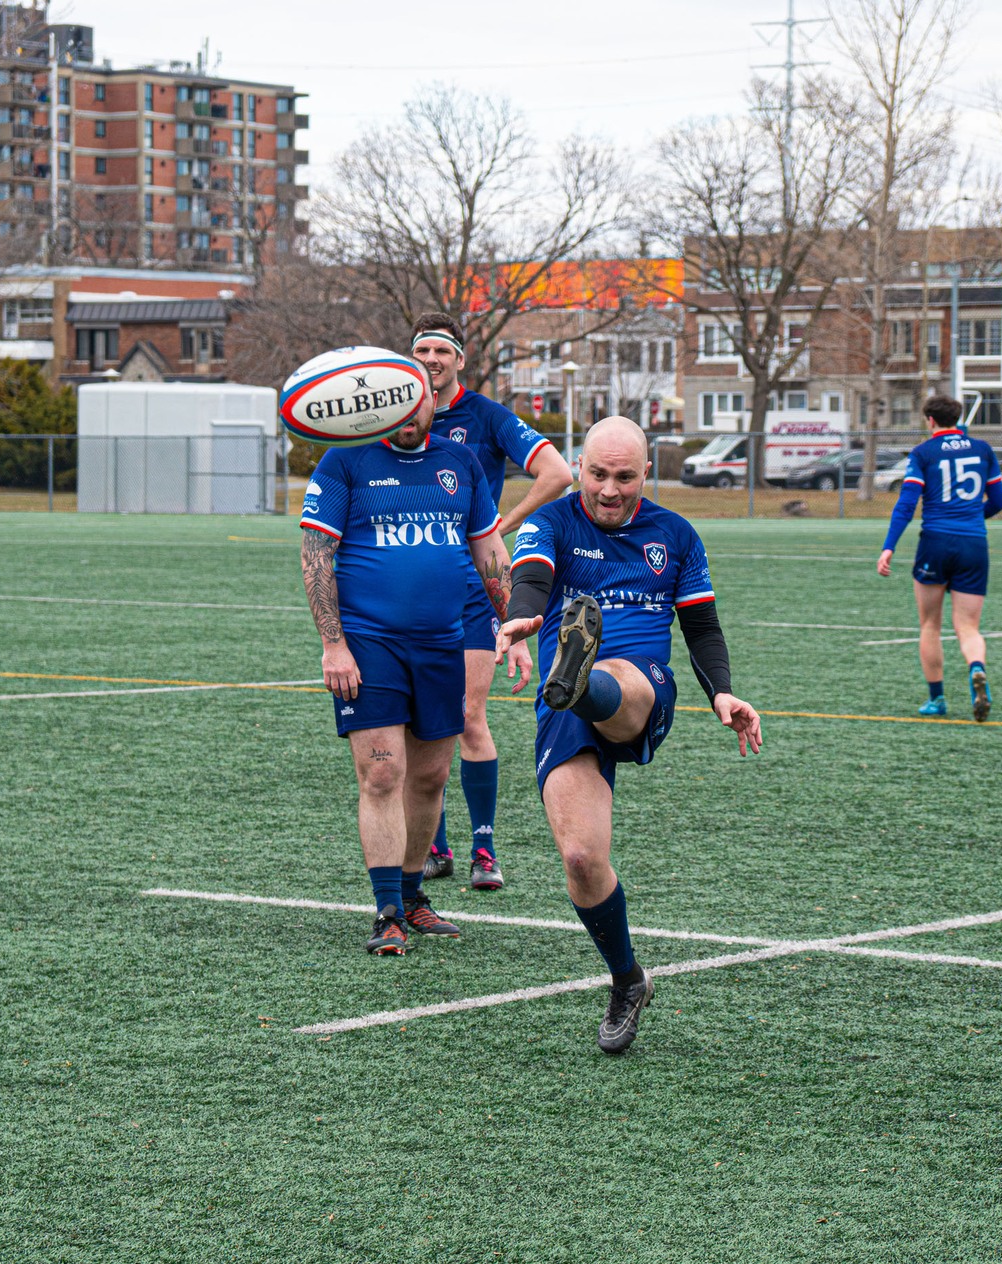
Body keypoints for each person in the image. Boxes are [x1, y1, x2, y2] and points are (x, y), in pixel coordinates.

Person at [497, 417, 762, 1053]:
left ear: (647, 474)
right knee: (582, 860)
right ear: (580, 467)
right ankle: (627, 979)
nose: (609, 490)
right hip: (564, 705)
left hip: (642, 686)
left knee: (616, 673)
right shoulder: (554, 521)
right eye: (597, 474)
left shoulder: (675, 534)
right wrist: (519, 619)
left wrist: (721, 691)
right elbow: (531, 575)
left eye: (624, 477)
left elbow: (701, 628)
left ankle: (583, 676)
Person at [300, 382, 511, 955]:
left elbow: (490, 551)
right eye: (400, 401)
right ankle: (387, 910)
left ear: (431, 405)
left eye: (421, 401)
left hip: (443, 645)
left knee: (430, 777)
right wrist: (333, 644)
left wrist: (510, 624)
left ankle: (415, 898)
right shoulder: (346, 459)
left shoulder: (460, 461)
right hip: (370, 647)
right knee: (383, 775)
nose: (410, 413)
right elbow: (316, 555)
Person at [410, 312, 575, 891]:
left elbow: (557, 472)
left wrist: (505, 522)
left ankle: (484, 850)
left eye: (441, 350)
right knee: (419, 725)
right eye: (422, 349)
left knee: (468, 718)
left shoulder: (485, 416)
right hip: (409, 587)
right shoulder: (394, 418)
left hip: (473, 583)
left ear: (460, 360)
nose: (431, 358)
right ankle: (435, 847)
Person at [876, 394, 1002, 720]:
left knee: (930, 625)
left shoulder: (923, 453)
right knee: (968, 627)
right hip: (974, 543)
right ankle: (977, 669)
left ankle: (937, 700)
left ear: (930, 420)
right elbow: (998, 502)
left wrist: (889, 545)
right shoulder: (983, 450)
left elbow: (906, 504)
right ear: (958, 418)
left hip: (935, 542)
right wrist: (973, 516)